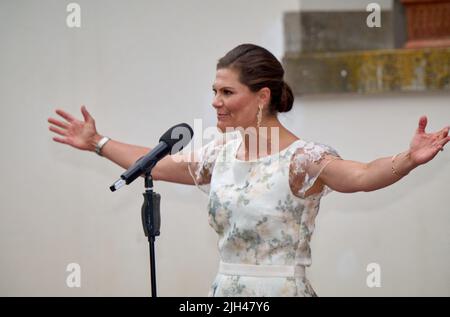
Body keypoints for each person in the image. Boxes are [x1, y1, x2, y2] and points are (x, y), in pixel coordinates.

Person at [48, 44, 449, 297]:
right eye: (214, 91)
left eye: (226, 92)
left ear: (262, 96)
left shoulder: (301, 158)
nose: (215, 103)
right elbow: (162, 164)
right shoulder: (221, 153)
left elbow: (360, 176)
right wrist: (99, 142)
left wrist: (408, 159)